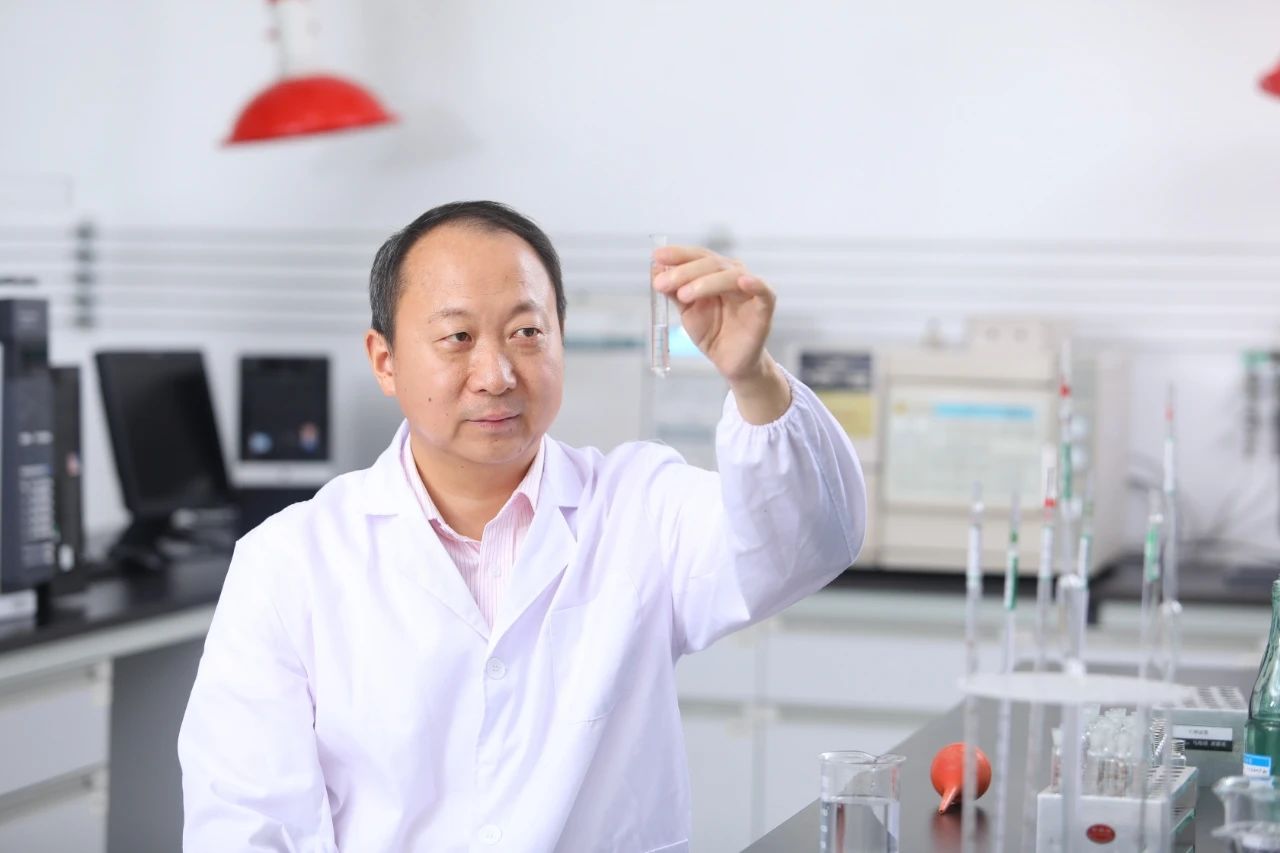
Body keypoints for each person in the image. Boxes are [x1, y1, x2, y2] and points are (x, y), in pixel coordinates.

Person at [178, 201, 866, 852]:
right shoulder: (289, 561)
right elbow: (246, 823)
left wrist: (754, 378)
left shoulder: (638, 506)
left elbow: (808, 542)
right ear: (385, 360)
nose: (496, 374)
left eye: (527, 333)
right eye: (457, 338)